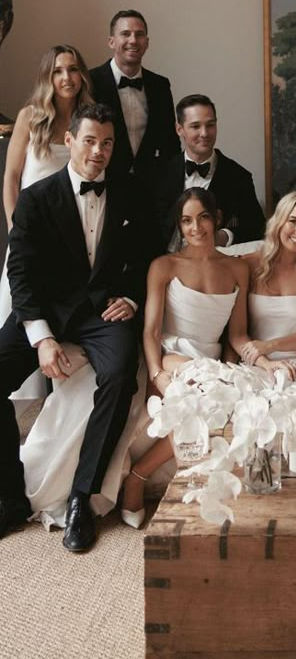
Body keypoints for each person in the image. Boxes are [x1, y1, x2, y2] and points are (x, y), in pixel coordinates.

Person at [0, 104, 147, 551]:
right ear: (69, 141)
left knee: (121, 376)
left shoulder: (129, 193)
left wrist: (132, 296)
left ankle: (82, 497)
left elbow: (146, 255)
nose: (98, 151)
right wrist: (42, 337)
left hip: (102, 314)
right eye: (89, 140)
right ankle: (9, 496)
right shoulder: (36, 198)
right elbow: (20, 275)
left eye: (106, 143)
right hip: (45, 310)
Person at [118, 188, 249, 527]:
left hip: (213, 359)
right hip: (174, 353)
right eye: (187, 220)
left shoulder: (237, 269)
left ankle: (139, 474)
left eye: (203, 217)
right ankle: (177, 484)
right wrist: (155, 373)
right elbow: (150, 331)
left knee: (217, 394)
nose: (196, 228)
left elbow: (236, 333)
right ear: (179, 224)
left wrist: (235, 369)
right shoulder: (165, 265)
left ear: (216, 219)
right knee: (191, 387)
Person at [0, 44, 94, 401]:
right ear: (48, 77)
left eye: (72, 69)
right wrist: (15, 231)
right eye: (58, 71)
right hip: (28, 238)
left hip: (69, 244)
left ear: (82, 75)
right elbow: (11, 178)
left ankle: (56, 406)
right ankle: (19, 406)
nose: (66, 78)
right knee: (20, 315)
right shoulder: (30, 116)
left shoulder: (88, 121)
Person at [233, 192, 296, 381]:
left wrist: (270, 345)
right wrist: (264, 360)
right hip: (255, 361)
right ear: (279, 221)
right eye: (293, 221)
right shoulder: (248, 265)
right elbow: (237, 335)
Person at [155, 94, 265, 251]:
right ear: (179, 129)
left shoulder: (238, 176)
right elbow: (148, 227)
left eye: (210, 125)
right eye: (195, 126)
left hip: (216, 267)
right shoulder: (159, 174)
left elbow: (256, 227)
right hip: (166, 265)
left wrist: (224, 236)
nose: (205, 133)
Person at [90, 9, 178, 182]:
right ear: (111, 42)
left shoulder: (160, 85)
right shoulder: (91, 82)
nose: (133, 40)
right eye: (125, 34)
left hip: (150, 186)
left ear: (147, 42)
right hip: (104, 183)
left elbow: (170, 143)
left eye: (139, 34)